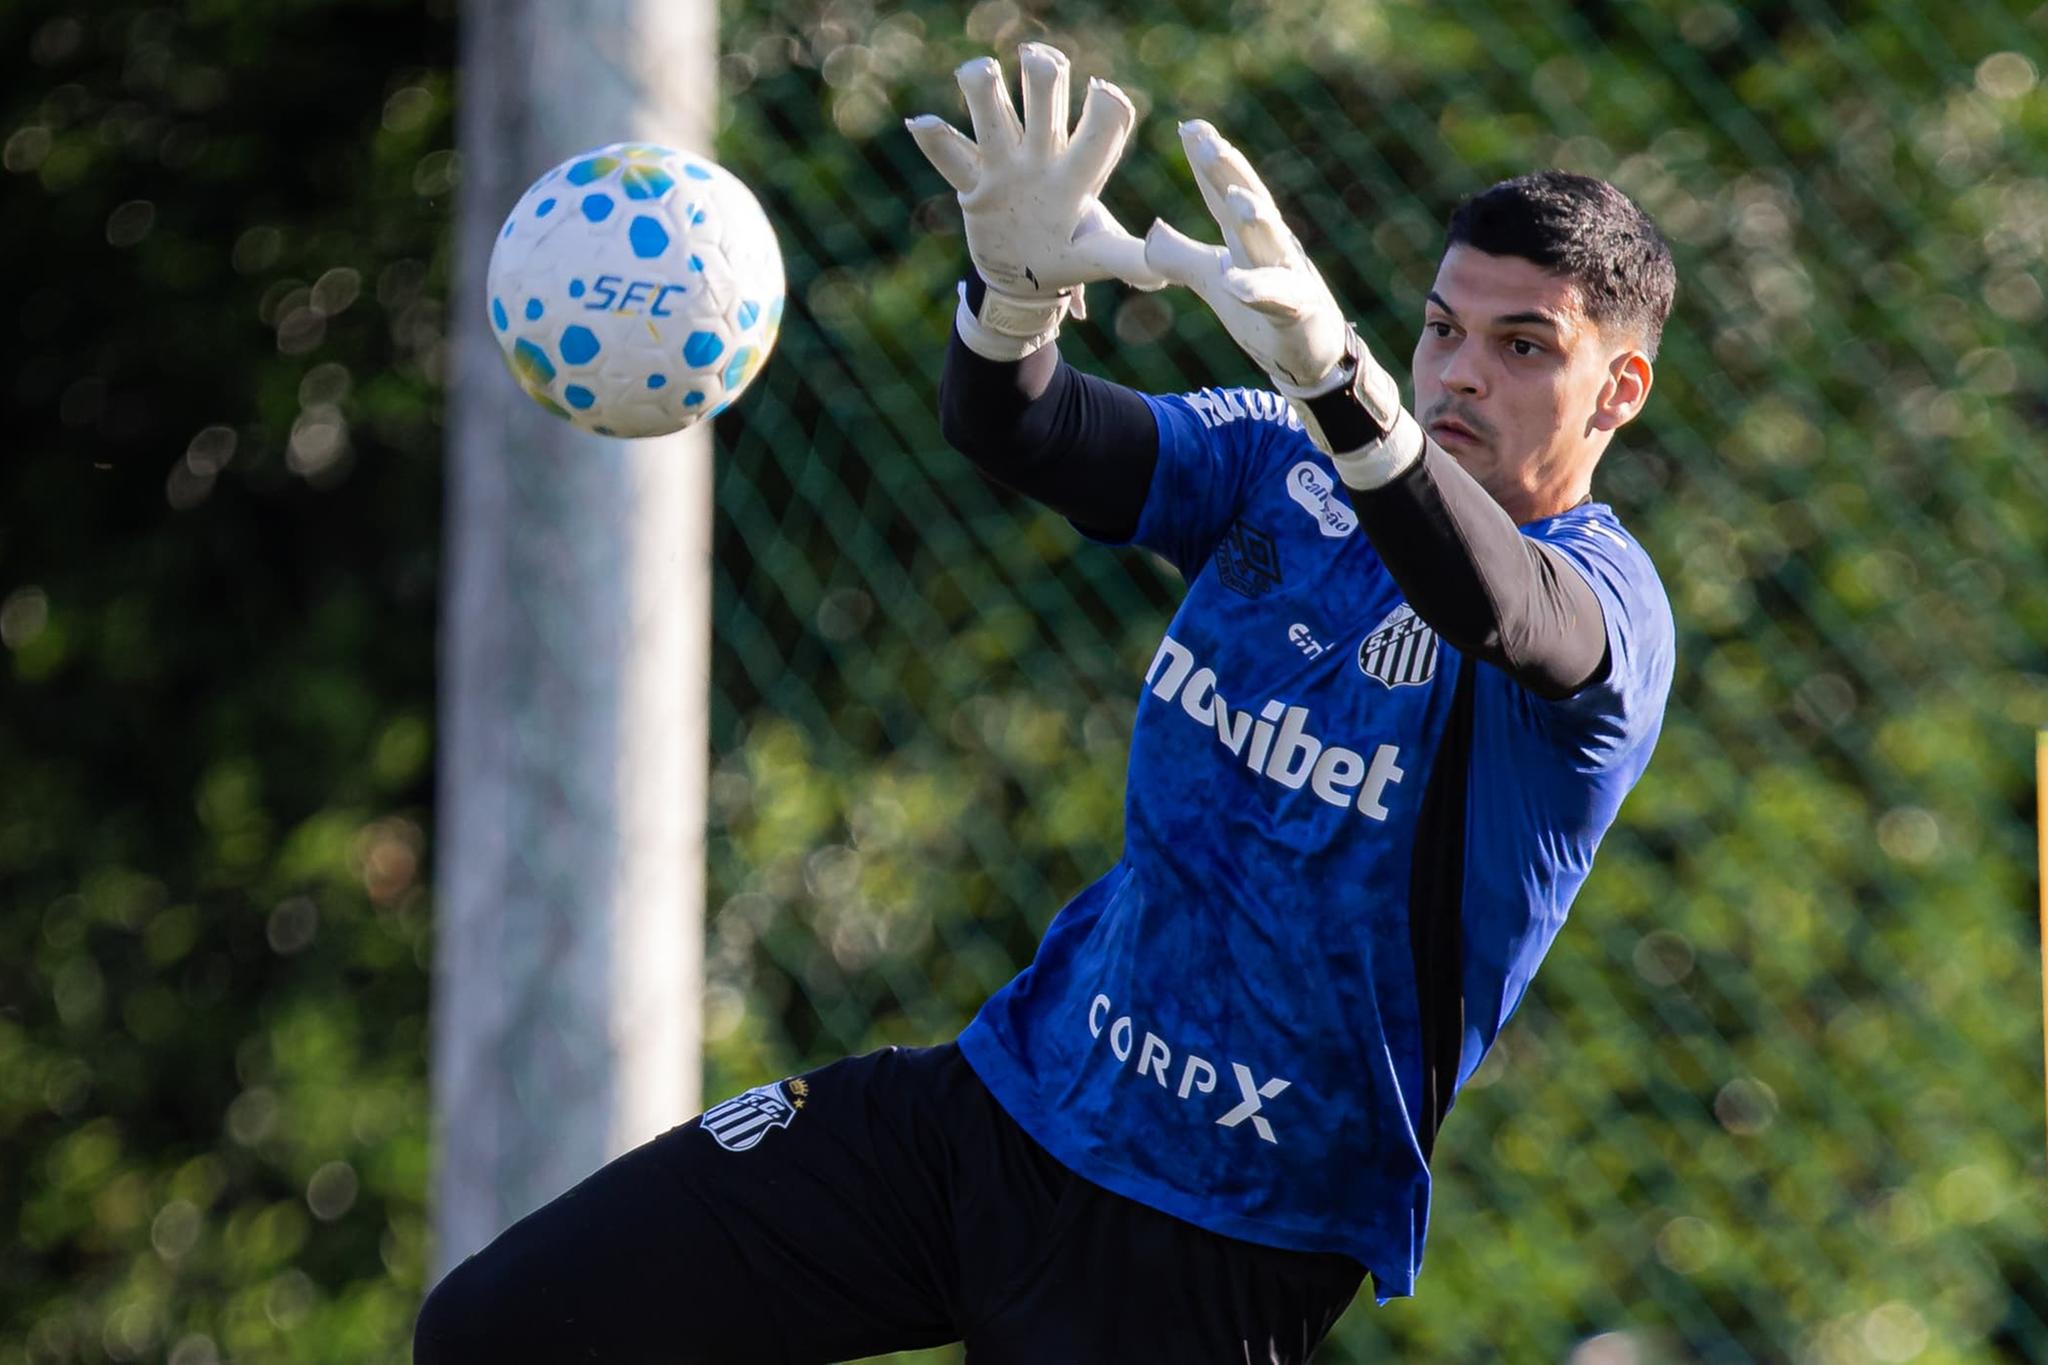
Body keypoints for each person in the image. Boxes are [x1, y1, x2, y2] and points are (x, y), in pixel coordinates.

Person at [413, 41, 1677, 1365]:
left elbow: (1497, 609)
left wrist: (1341, 380)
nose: (1462, 370)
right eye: (1441, 327)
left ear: (1619, 389)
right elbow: (1020, 429)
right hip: (998, 1107)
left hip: (1214, 1241)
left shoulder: (1607, 609)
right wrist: (1009, 298)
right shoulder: (1280, 470)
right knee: (501, 1328)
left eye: (1524, 345)